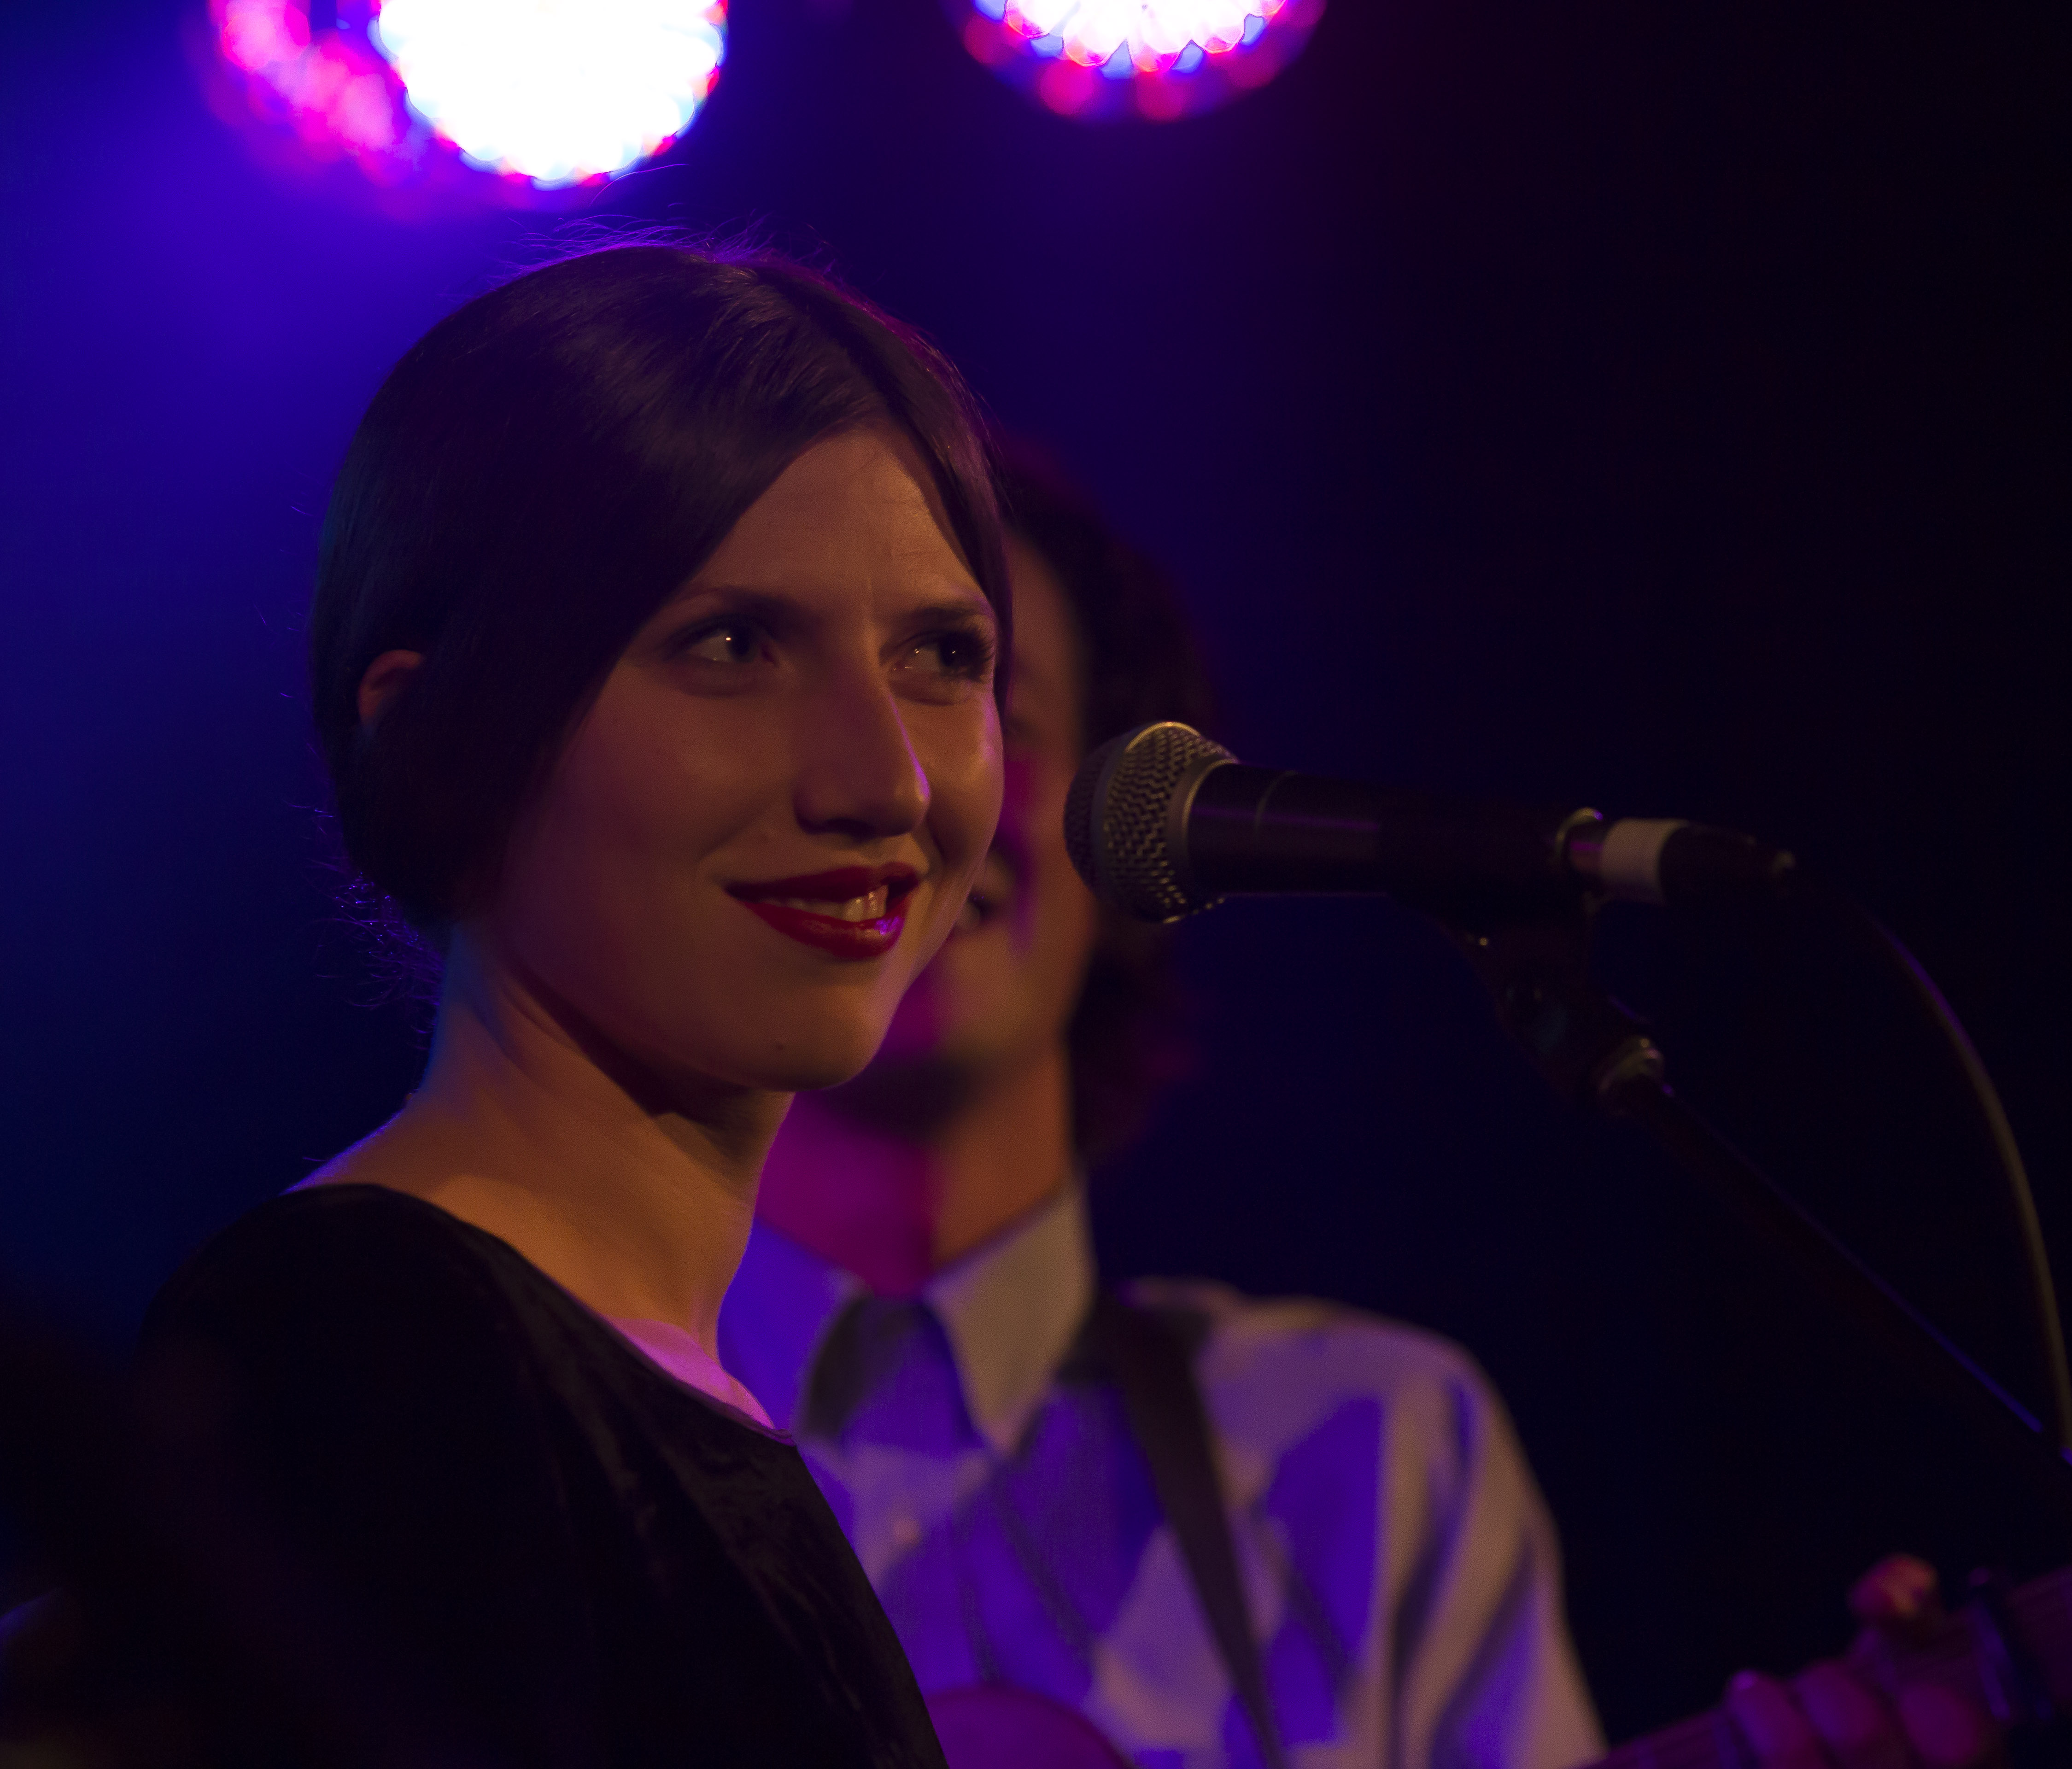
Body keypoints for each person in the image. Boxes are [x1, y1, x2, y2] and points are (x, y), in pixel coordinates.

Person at [719, 453, 1998, 1769]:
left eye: (979, 701)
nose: (904, 792)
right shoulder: (546, 1442)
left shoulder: (1366, 1450)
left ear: (1123, 840)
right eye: (823, 723)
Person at [3, 241, 1008, 1768]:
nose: (887, 778)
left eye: (941, 654)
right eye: (733, 646)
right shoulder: (376, 1345)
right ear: (434, 728)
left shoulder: (623, 1382)